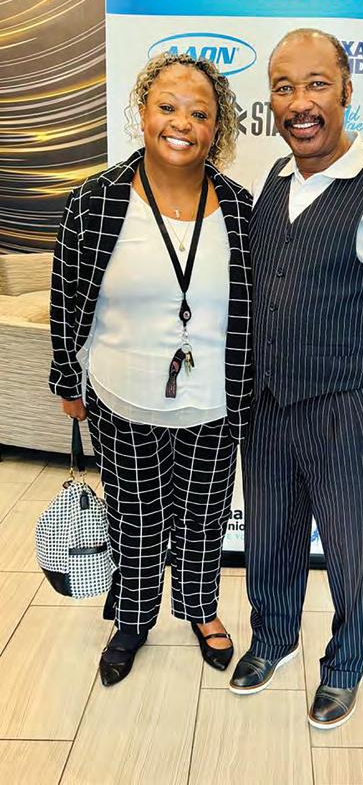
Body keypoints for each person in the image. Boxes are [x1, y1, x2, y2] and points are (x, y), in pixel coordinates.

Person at [229, 29, 363, 728]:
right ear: (272, 101)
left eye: (317, 84)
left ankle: (346, 665)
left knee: (353, 547)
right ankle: (273, 638)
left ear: (347, 91)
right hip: (268, 401)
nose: (301, 102)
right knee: (270, 534)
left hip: (347, 403)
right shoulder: (274, 178)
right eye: (285, 87)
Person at [49, 53, 253, 686]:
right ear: (142, 114)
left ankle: (200, 609)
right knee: (135, 518)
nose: (181, 123)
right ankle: (133, 619)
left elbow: (259, 306)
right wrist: (67, 380)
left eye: (199, 113)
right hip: (122, 393)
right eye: (167, 107)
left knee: (204, 516)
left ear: (217, 128)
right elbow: (66, 297)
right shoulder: (95, 201)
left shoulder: (242, 209)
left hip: (215, 400)